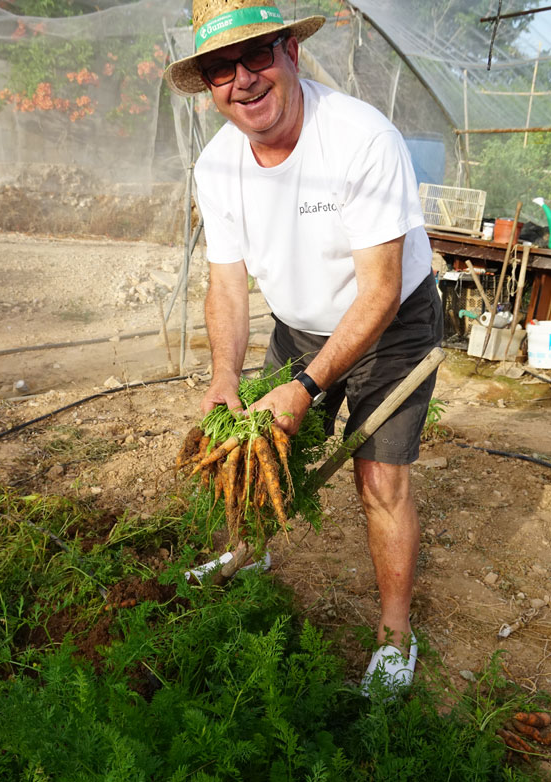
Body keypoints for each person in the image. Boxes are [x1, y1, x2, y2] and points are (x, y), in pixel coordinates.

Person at [165, 0, 442, 694]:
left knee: (379, 479)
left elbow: (378, 293)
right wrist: (225, 375)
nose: (243, 80)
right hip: (300, 325)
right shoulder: (217, 165)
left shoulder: (359, 137)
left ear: (290, 51)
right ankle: (246, 553)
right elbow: (226, 285)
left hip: (394, 322)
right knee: (251, 446)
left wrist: (308, 388)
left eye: (256, 55)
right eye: (221, 69)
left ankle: (394, 637)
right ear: (207, 85)